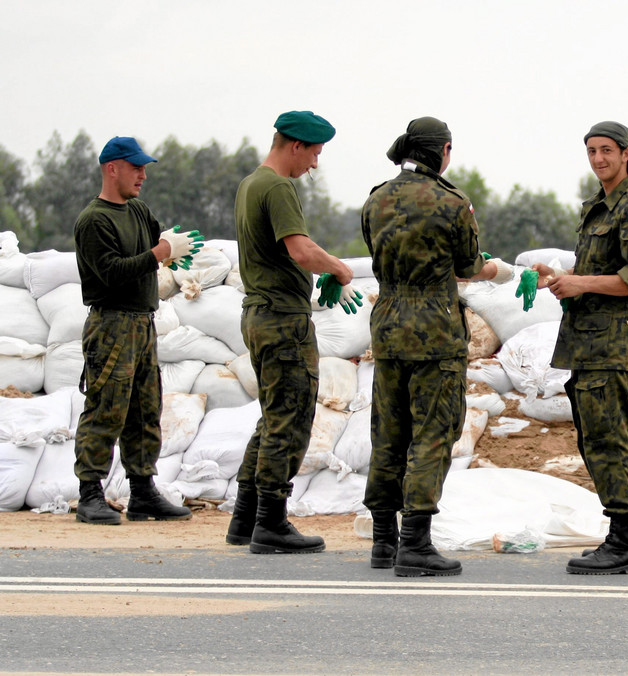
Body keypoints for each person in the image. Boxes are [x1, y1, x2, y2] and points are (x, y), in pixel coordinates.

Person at [360, 116, 510, 577]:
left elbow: (376, 254)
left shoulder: (376, 199)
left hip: (387, 329)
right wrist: (497, 270)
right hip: (435, 333)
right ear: (444, 150)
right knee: (432, 434)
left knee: (388, 432)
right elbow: (467, 265)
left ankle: (384, 540)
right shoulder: (452, 202)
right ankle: (417, 543)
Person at [227, 111, 362, 554]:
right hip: (283, 318)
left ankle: (245, 519)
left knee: (272, 417)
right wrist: (340, 269)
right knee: (291, 418)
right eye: (315, 154)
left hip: (259, 313)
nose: (314, 165)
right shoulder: (278, 186)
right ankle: (271, 523)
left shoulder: (251, 183)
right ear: (295, 146)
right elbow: (300, 248)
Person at [532, 121, 628, 575]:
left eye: (607, 150)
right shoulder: (600, 206)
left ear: (626, 154)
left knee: (607, 439)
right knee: (598, 437)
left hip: (610, 340)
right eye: (591, 151)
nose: (598, 159)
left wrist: (579, 282)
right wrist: (561, 278)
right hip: (588, 339)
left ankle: (623, 540)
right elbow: (596, 271)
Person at [73, 136, 200, 525]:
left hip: (142, 324)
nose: (143, 175)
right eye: (136, 167)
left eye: (144, 168)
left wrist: (171, 247)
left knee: (145, 410)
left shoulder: (139, 212)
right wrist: (161, 253)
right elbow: (112, 272)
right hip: (111, 324)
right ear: (112, 168)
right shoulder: (94, 220)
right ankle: (90, 493)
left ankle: (143, 491)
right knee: (105, 408)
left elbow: (154, 249)